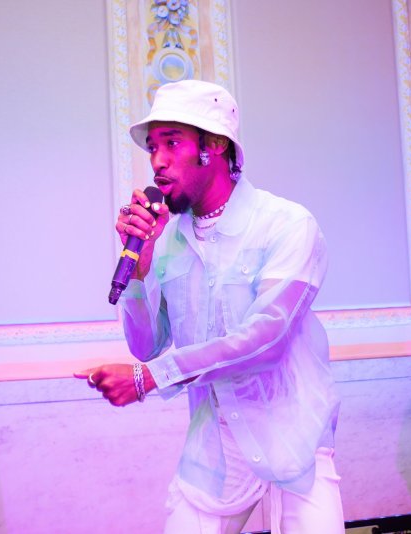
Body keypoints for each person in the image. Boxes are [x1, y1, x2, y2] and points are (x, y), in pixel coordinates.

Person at [75, 79, 343, 533]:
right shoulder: (166, 242)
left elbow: (267, 340)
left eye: (172, 142)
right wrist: (139, 267)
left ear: (215, 145)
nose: (157, 161)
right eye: (152, 147)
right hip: (214, 447)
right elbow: (146, 345)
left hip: (294, 438)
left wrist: (148, 380)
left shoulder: (287, 224)